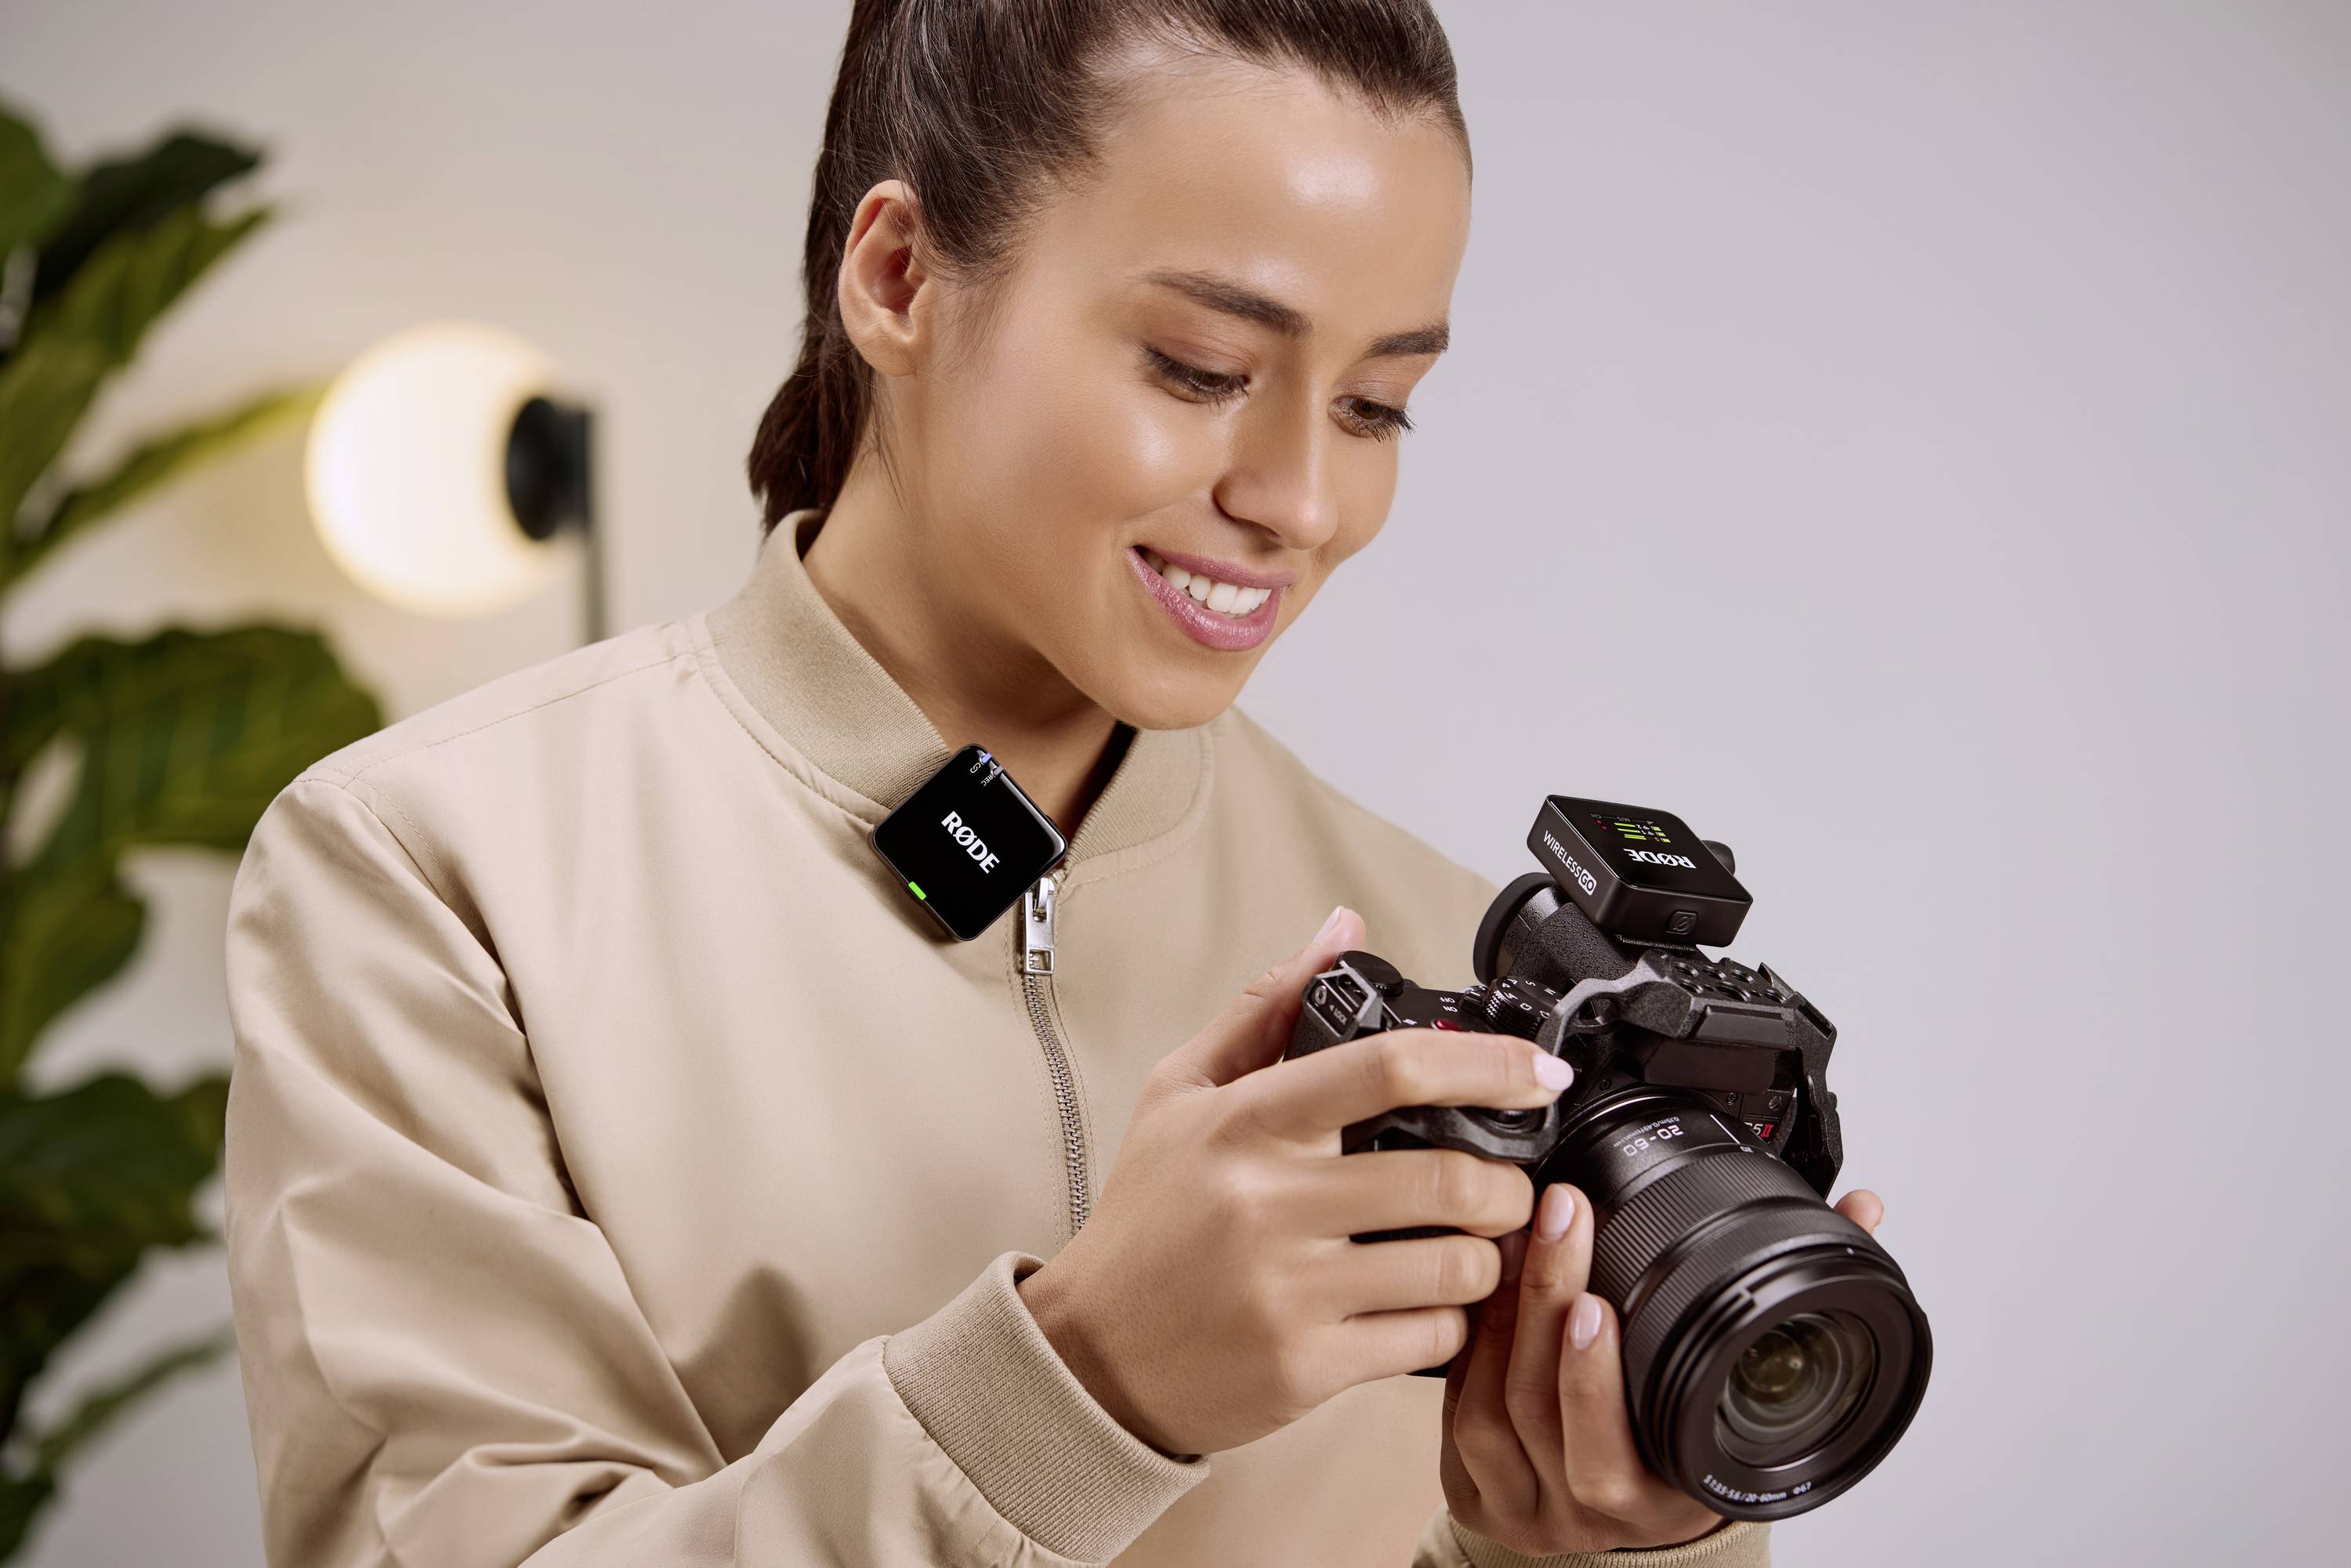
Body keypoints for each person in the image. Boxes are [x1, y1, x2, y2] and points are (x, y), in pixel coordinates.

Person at [223, 2, 1883, 1565]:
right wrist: (1080, 1382)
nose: (1303, 498)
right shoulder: (430, 876)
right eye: (1199, 365)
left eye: (1380, 405)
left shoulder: (1475, 969)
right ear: (899, 276)